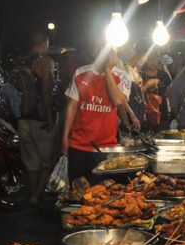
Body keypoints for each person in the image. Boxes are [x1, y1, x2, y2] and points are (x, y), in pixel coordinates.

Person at [60, 44, 131, 185]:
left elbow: (117, 100)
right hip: (78, 144)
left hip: (105, 147)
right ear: (94, 50)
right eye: (100, 48)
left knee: (102, 193)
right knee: (77, 191)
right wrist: (65, 136)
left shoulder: (122, 76)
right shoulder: (80, 73)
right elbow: (72, 107)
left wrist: (107, 70)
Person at [15, 31, 56, 204]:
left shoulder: (20, 62)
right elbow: (46, 91)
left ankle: (33, 193)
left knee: (31, 162)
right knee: (48, 160)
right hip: (40, 118)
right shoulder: (46, 62)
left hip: (22, 117)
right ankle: (36, 196)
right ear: (44, 43)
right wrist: (50, 117)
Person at [140, 52, 171, 130]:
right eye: (150, 59)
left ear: (158, 59)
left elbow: (168, 92)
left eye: (155, 58)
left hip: (162, 115)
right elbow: (137, 93)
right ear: (146, 60)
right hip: (145, 115)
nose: (152, 61)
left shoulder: (164, 75)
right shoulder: (140, 75)